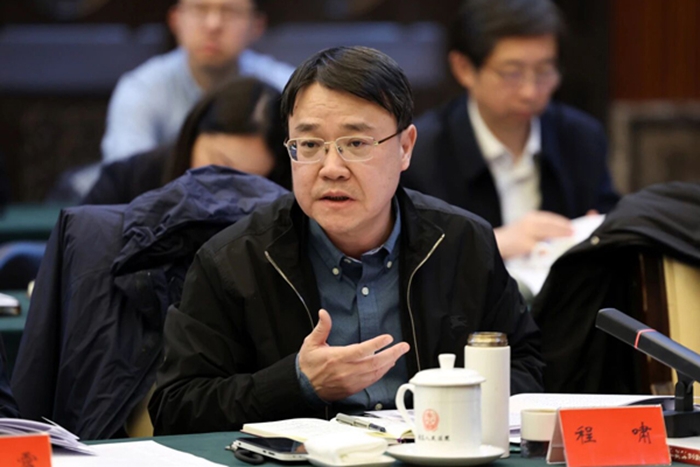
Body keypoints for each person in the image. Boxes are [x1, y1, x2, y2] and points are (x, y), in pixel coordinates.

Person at [149, 45, 544, 435]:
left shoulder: (462, 243)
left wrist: (451, 409)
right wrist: (298, 382)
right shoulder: (234, 260)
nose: (331, 168)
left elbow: (527, 366)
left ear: (405, 148)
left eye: (356, 144)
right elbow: (176, 406)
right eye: (309, 145)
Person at [402, 0, 619, 259]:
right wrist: (492, 244)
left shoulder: (582, 137)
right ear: (464, 68)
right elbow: (405, 255)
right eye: (512, 73)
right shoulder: (420, 153)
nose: (530, 91)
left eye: (544, 71)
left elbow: (609, 218)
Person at [101, 0, 294, 162]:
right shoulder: (141, 88)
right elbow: (125, 176)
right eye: (199, 9)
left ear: (257, 26)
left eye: (230, 12)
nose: (213, 25)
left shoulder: (284, 88)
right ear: (175, 20)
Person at [83, 77, 291, 205]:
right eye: (220, 165)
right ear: (194, 135)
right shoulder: (127, 179)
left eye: (248, 182)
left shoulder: (283, 207)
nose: (226, 189)